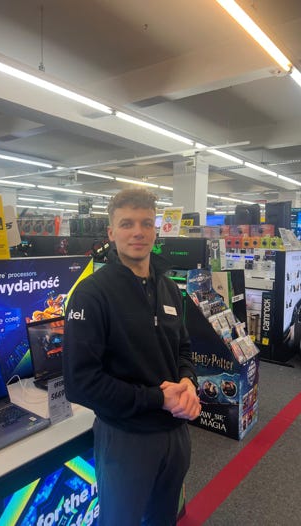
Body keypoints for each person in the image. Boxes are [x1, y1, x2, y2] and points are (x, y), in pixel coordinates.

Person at [63, 188, 201, 526]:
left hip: (175, 436)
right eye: (126, 224)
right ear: (111, 233)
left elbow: (182, 347)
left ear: (155, 231)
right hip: (126, 439)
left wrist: (188, 382)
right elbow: (80, 384)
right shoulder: (91, 294)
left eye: (145, 223)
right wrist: (157, 398)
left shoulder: (168, 286)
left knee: (163, 518)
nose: (137, 232)